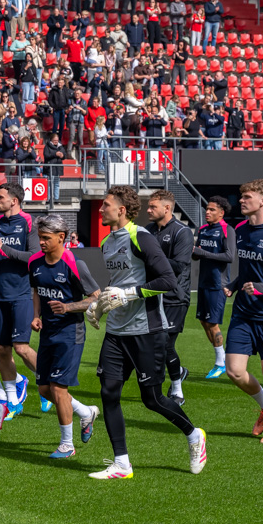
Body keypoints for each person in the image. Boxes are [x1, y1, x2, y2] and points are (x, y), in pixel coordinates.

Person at [84, 185, 206, 480]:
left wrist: (129, 294)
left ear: (121, 210)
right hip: (116, 332)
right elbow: (118, 282)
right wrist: (99, 305)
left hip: (146, 330)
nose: (101, 209)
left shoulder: (141, 237)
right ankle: (122, 464)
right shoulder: (107, 242)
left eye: (106, 205)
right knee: (108, 392)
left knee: (152, 399)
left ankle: (194, 435)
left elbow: (168, 280)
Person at [29, 214, 101, 458]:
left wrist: (68, 307)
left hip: (71, 333)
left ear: (62, 237)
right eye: (40, 237)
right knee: (44, 389)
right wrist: (36, 315)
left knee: (58, 389)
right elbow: (37, 291)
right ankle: (85, 412)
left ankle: (67, 445)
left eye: (46, 238)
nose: (41, 242)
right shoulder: (35, 262)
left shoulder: (74, 264)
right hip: (47, 332)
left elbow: (96, 297)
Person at [0, 182, 39, 417]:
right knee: (2, 349)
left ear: (13, 201)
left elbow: (34, 257)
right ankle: (13, 402)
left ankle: (48, 384)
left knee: (22, 348)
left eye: (0, 197)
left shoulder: (29, 223)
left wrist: (4, 249)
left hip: (20, 294)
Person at [222, 180, 263, 442]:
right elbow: (250, 270)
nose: (241, 201)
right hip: (243, 313)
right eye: (241, 197)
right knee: (234, 371)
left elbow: (260, 280)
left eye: (247, 197)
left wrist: (262, 287)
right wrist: (235, 284)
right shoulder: (240, 229)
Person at [145, 191, 193, 405]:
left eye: (152, 206)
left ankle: (177, 390)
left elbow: (179, 266)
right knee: (152, 344)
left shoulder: (182, 232)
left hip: (175, 297)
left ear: (167, 208)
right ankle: (178, 371)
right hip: (152, 294)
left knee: (165, 344)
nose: (148, 210)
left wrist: (152, 258)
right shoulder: (147, 231)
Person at [192, 196, 233, 379]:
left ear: (221, 213)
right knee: (204, 321)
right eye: (207, 209)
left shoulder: (227, 230)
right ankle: (221, 358)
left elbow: (229, 256)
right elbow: (197, 254)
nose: (207, 212)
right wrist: (194, 252)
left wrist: (203, 253)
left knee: (212, 323)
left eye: (212, 210)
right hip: (203, 282)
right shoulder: (202, 229)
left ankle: (220, 363)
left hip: (218, 284)